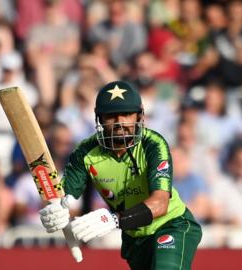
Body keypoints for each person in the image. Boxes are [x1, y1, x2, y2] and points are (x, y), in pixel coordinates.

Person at [38, 80, 202, 270]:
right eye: (111, 116)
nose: (119, 122)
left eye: (126, 114)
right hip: (134, 238)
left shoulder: (153, 144)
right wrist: (53, 211)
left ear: (139, 116)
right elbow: (62, 197)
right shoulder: (85, 151)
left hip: (172, 224)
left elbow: (160, 203)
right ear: (99, 118)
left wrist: (114, 219)